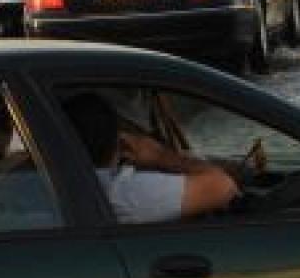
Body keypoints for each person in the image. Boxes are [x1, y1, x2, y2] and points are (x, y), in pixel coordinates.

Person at [63, 93, 239, 224]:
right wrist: (159, 156)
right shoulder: (122, 193)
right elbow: (223, 187)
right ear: (119, 143)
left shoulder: (55, 187)